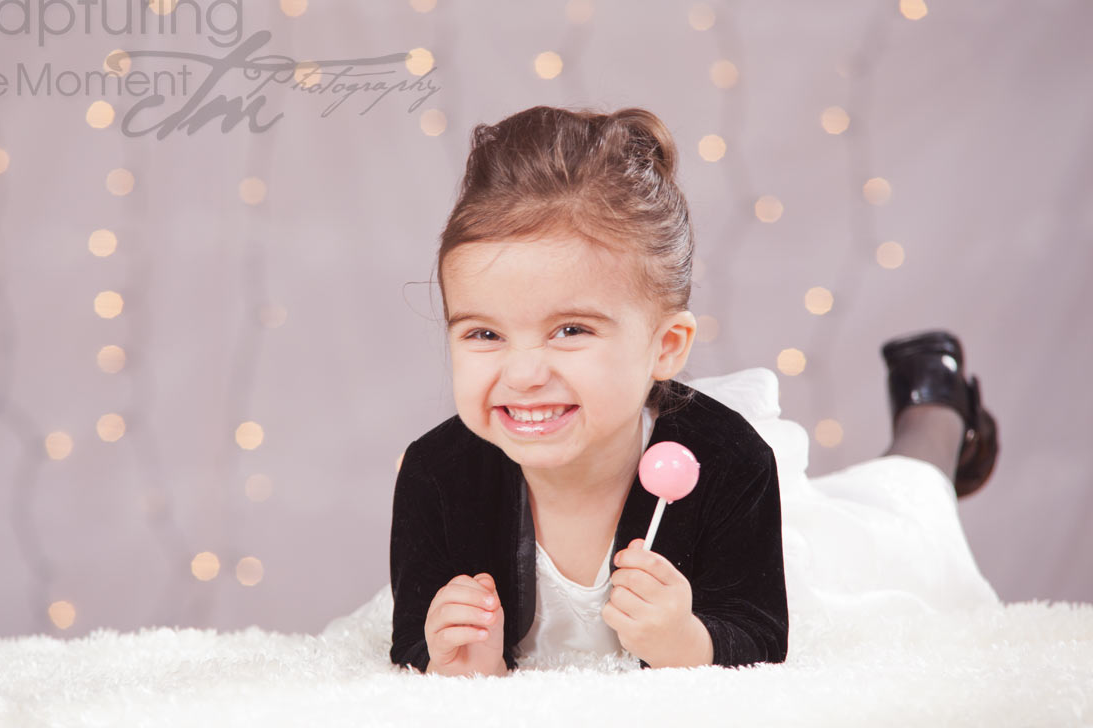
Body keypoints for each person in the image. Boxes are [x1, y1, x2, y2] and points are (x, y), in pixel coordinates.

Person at [388, 105, 999, 677]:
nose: (522, 375)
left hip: (780, 539)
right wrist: (456, 659)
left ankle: (935, 417)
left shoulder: (730, 461)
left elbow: (759, 635)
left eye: (571, 330)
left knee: (901, 520)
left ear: (667, 346)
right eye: (484, 333)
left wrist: (685, 641)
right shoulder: (437, 473)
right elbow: (414, 636)